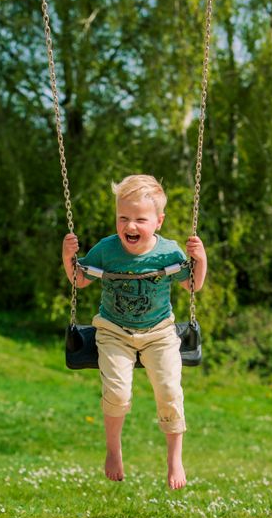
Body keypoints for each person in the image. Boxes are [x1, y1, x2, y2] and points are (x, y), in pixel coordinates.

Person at [62, 174, 207, 489]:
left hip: (160, 332)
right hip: (113, 330)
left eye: (140, 219)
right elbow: (80, 280)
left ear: (158, 221)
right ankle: (113, 450)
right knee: (117, 392)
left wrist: (201, 259)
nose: (130, 226)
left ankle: (174, 459)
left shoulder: (168, 252)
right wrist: (67, 256)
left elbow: (193, 284)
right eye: (123, 218)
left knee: (169, 391)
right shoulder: (106, 249)